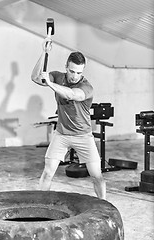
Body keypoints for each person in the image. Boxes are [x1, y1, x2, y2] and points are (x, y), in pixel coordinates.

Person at [38, 51, 106, 199]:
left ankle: (105, 207)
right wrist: (44, 52)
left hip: (83, 136)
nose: (75, 76)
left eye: (79, 72)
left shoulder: (87, 87)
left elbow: (71, 94)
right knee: (48, 172)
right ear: (66, 67)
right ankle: (40, 204)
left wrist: (50, 83)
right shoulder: (58, 76)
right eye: (72, 71)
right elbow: (36, 77)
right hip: (61, 134)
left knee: (97, 176)